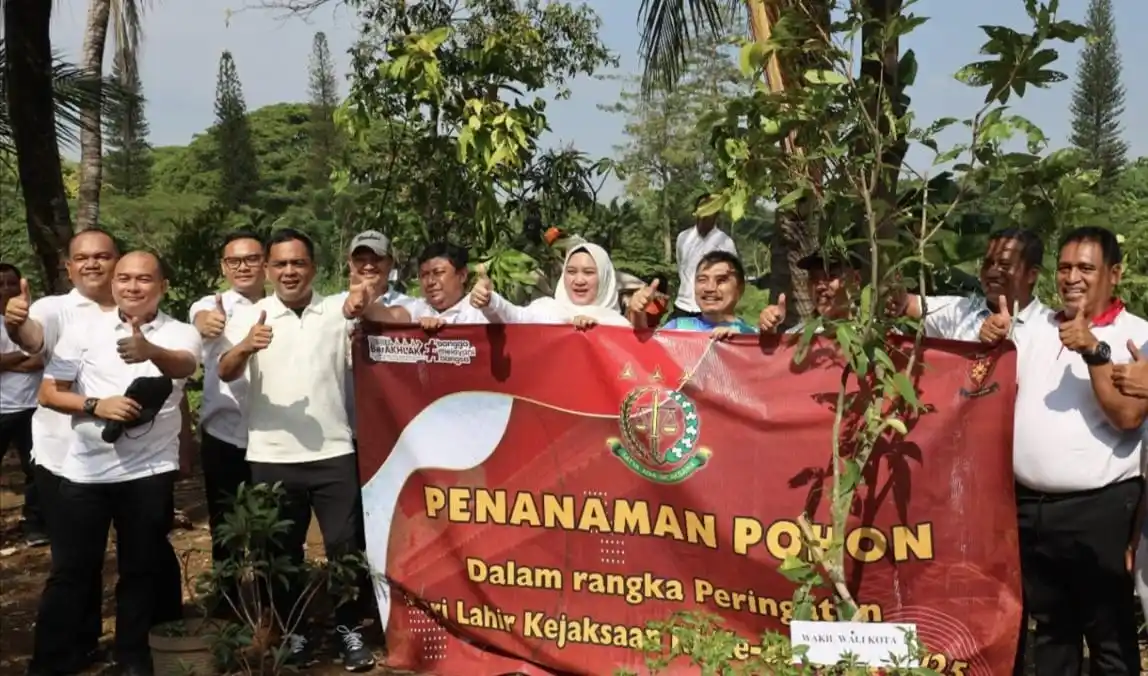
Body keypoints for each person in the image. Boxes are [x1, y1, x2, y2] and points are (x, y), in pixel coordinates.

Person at [218, 229, 400, 671]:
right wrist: (244, 346)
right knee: (282, 554)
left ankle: (348, 629)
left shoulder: (336, 311)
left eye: (298, 263)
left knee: (344, 548)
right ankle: (294, 631)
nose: (289, 271)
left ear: (313, 268)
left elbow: (385, 320)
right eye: (280, 264)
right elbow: (225, 371)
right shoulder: (250, 315)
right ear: (267, 270)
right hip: (270, 454)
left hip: (334, 451)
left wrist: (365, 304)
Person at [34, 251, 201, 676]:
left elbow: (185, 364)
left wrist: (149, 349)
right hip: (85, 471)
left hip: (148, 472)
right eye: (124, 278)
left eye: (143, 279)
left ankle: (132, 657)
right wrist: (96, 405)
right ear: (113, 284)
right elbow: (50, 393)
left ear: (162, 286)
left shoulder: (180, 332)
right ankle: (50, 661)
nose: (132, 286)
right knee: (71, 570)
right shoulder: (83, 330)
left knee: (140, 569)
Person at [1012, 226, 1148, 675]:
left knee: (1109, 635)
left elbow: (1127, 418)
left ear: (1114, 273)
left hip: (1100, 509)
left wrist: (1094, 350)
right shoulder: (1032, 327)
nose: (1073, 277)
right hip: (1032, 509)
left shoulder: (1138, 336)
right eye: (1065, 266)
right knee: (1051, 632)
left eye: (1086, 267)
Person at [5, 229, 120, 671]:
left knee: (134, 554)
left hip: (126, 460)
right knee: (73, 561)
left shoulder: (132, 305)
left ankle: (93, 640)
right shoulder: (53, 308)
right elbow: (34, 339)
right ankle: (52, 658)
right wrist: (17, 324)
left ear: (117, 261)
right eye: (82, 258)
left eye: (102, 255)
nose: (92, 263)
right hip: (63, 458)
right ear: (68, 267)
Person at [187, 230, 267, 601]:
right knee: (226, 526)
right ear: (223, 266)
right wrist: (207, 322)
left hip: (272, 434)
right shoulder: (213, 304)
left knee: (271, 525)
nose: (243, 267)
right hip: (225, 433)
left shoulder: (281, 302)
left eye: (251, 259)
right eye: (234, 261)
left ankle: (273, 601)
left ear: (265, 262)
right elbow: (200, 317)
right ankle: (227, 602)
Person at [901, 228, 1049, 343]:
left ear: (1032, 275)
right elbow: (905, 303)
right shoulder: (960, 311)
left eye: (1004, 265)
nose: (992, 272)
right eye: (988, 263)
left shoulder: (1050, 328)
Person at [469, 242, 631, 328]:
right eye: (572, 272)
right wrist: (490, 300)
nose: (579, 280)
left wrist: (595, 331)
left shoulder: (619, 325)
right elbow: (515, 318)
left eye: (588, 272)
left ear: (605, 279)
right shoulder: (547, 310)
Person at [0, 263, 47, 546]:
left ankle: (36, 526)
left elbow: (41, 358)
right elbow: (31, 358)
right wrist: (23, 356)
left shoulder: (36, 318)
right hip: (1, 409)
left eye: (11, 283)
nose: (6, 288)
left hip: (34, 407)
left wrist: (9, 361)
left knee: (37, 470)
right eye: (0, 283)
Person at [636, 251, 755, 337]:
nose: (710, 288)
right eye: (702, 280)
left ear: (740, 288)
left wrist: (742, 343)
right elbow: (647, 352)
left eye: (721, 280)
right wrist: (638, 315)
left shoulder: (753, 336)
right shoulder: (677, 328)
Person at [667, 193, 738, 324]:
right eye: (704, 206)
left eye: (711, 207)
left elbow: (732, 280)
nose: (707, 211)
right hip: (683, 306)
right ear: (696, 211)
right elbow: (681, 267)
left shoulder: (725, 242)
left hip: (711, 310)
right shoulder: (683, 238)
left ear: (717, 213)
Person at [401, 242, 489, 329]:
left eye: (438, 273)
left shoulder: (481, 312)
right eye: (424, 275)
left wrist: (490, 299)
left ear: (462, 275)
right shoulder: (414, 309)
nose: (430, 281)